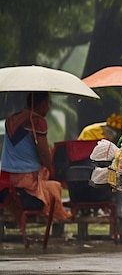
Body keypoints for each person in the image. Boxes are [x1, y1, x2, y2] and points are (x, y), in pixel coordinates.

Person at [1, 92, 72, 221]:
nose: (49, 108)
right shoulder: (37, 121)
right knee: (55, 187)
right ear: (43, 103)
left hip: (6, 181)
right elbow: (44, 154)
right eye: (48, 104)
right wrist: (52, 171)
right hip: (27, 186)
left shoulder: (11, 120)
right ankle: (58, 222)